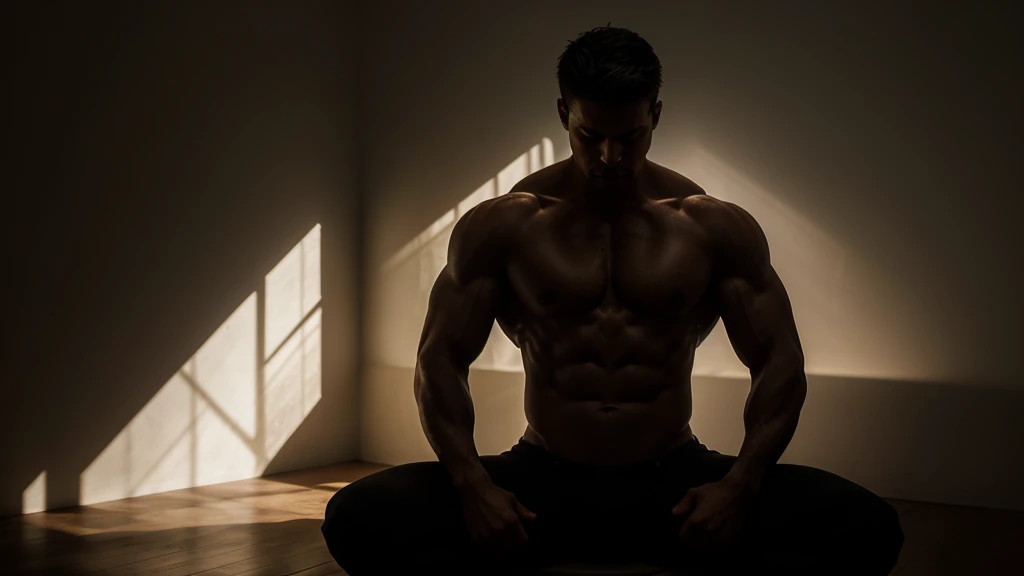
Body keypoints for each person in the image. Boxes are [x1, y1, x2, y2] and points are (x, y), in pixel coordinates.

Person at [321, 25, 904, 576]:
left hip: (674, 483)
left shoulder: (709, 227)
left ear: (655, 115)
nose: (609, 158)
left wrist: (738, 488)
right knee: (357, 516)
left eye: (630, 138)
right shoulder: (506, 226)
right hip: (540, 482)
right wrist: (476, 489)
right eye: (589, 136)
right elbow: (439, 361)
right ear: (562, 115)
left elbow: (779, 360)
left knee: (867, 526)